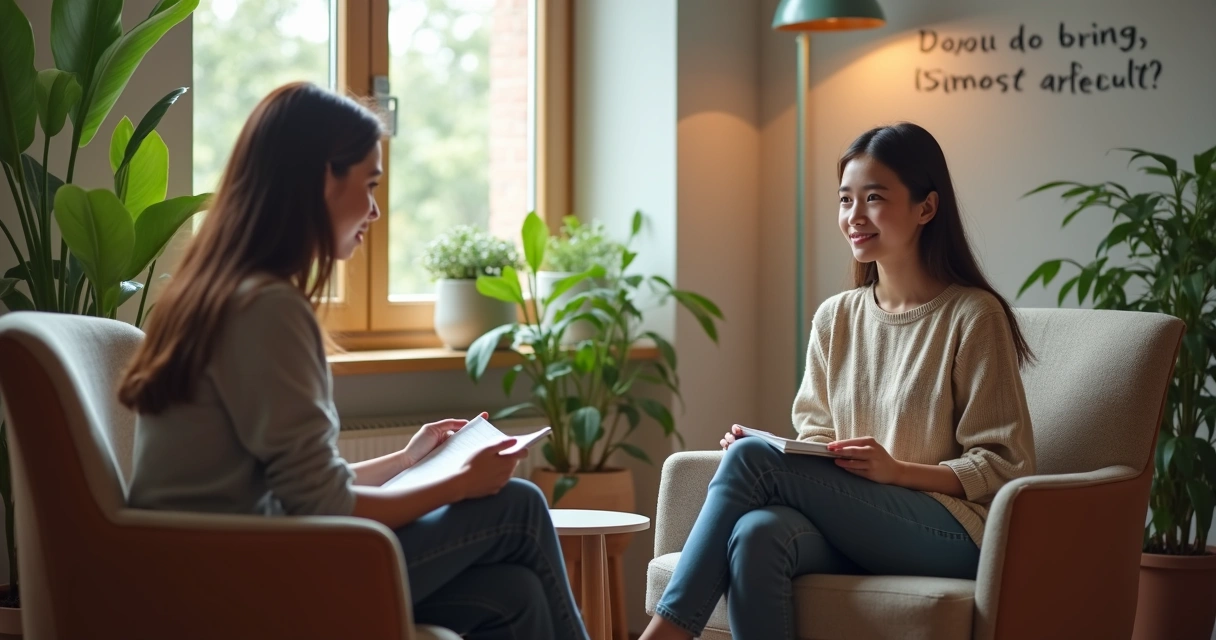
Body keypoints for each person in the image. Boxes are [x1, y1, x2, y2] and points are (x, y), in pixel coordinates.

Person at [120, 82, 588, 640]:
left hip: (218, 569)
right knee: (516, 504)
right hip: (242, 585)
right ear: (323, 178)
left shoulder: (218, 291)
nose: (373, 209)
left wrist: (406, 459)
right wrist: (457, 483)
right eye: (368, 184)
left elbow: (294, 490)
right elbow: (324, 504)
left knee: (515, 596)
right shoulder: (267, 308)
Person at [639, 122, 1037, 640]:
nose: (854, 217)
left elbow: (1005, 465)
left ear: (927, 208)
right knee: (758, 533)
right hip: (858, 520)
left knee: (751, 463)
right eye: (846, 200)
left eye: (874, 199)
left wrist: (897, 472)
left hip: (951, 532)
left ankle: (665, 632)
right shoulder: (835, 318)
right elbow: (819, 438)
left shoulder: (972, 316)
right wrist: (791, 455)